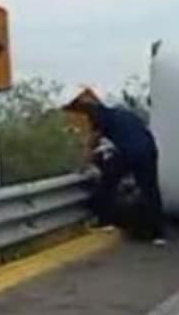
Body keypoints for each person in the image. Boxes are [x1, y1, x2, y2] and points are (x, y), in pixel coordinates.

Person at [71, 102, 166, 246]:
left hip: (129, 151)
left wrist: (83, 165)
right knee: (151, 191)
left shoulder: (101, 118)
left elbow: (92, 142)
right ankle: (158, 234)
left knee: (108, 182)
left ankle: (104, 220)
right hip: (149, 150)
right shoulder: (124, 114)